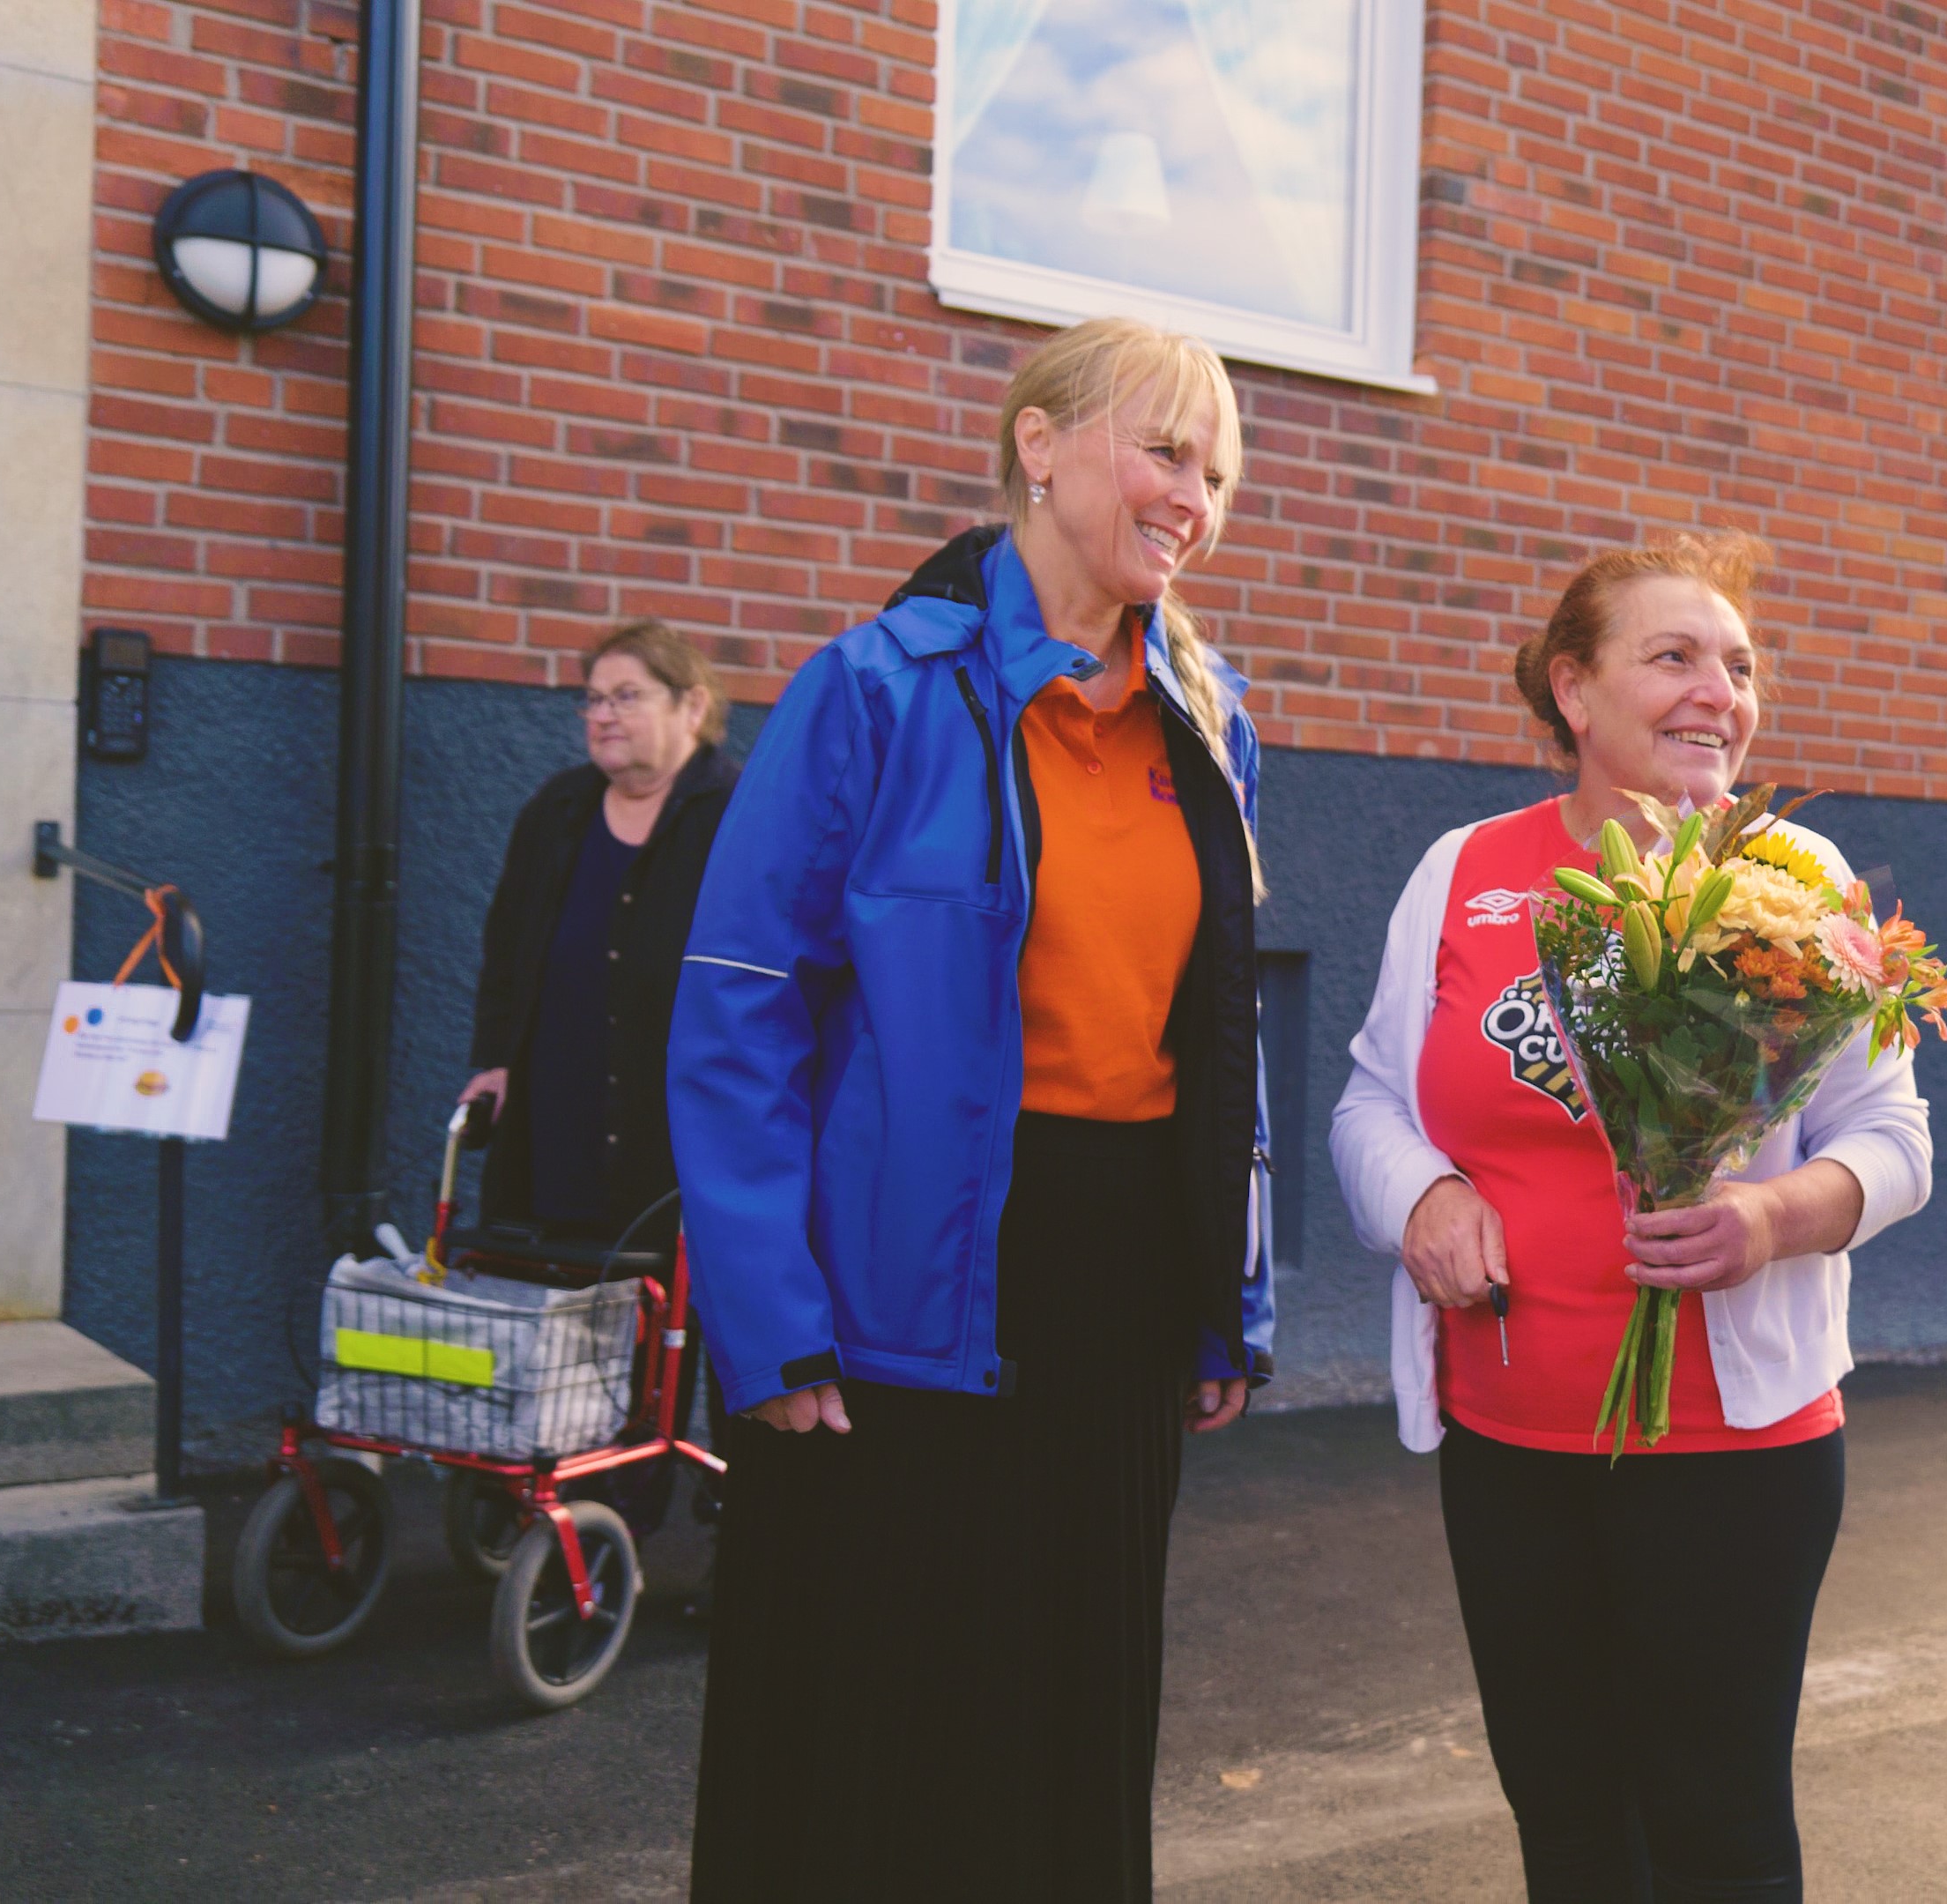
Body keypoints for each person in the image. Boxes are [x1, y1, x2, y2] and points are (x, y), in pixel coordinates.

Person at [670, 315, 1274, 1900]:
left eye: (1214, 471)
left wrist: (1228, 1293)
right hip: (892, 1291)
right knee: (868, 1729)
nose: (1192, 495)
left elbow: (1220, 1040)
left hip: (1121, 1278)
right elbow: (740, 1003)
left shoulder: (1212, 729)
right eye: (1164, 449)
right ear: (1040, 444)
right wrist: (768, 1316)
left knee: (1074, 1720)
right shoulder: (872, 689)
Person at [1331, 532, 1933, 1900]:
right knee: (1565, 1812)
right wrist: (1418, 1196)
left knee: (1716, 1825)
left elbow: (1894, 1144)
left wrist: (1771, 1217)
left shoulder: (1797, 877)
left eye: (1739, 665)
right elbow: (1371, 1101)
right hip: (1507, 1439)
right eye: (1673, 657)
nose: (1717, 690)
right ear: (1574, 693)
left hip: (1733, 1452)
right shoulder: (1461, 871)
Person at [461, 618, 738, 1247]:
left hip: (676, 1135)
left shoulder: (737, 815)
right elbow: (507, 952)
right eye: (593, 698)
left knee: (656, 1322)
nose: (602, 715)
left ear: (691, 704)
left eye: (627, 696)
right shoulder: (558, 810)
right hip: (556, 1122)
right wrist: (497, 1062)